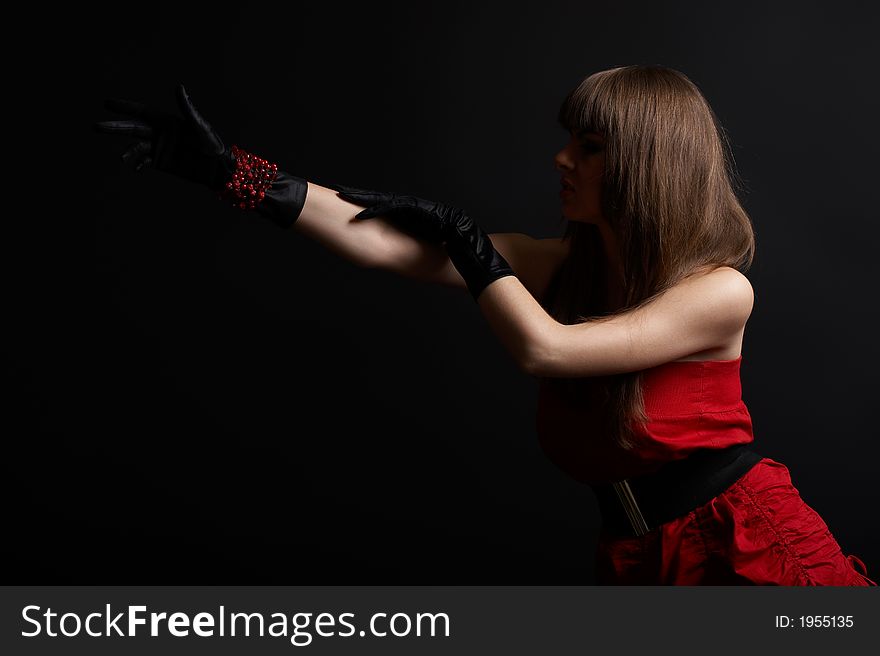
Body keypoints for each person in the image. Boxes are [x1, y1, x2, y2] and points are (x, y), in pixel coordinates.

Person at [94, 64, 876, 586]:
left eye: (590, 146)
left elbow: (547, 349)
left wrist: (466, 239)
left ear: (648, 163)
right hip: (638, 550)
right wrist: (235, 173)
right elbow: (386, 246)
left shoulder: (718, 292)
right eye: (569, 140)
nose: (563, 161)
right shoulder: (556, 263)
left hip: (744, 540)